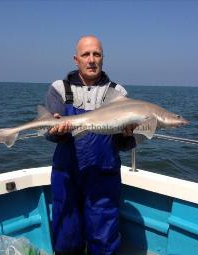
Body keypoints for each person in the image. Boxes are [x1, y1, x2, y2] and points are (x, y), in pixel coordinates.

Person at [45, 35, 136, 255]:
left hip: (103, 176)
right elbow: (49, 130)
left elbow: (125, 144)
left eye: (97, 54)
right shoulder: (59, 88)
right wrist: (56, 132)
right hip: (67, 174)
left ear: (103, 59)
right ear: (76, 59)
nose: (92, 59)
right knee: (67, 234)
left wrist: (125, 135)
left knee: (104, 238)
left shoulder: (118, 93)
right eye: (86, 54)